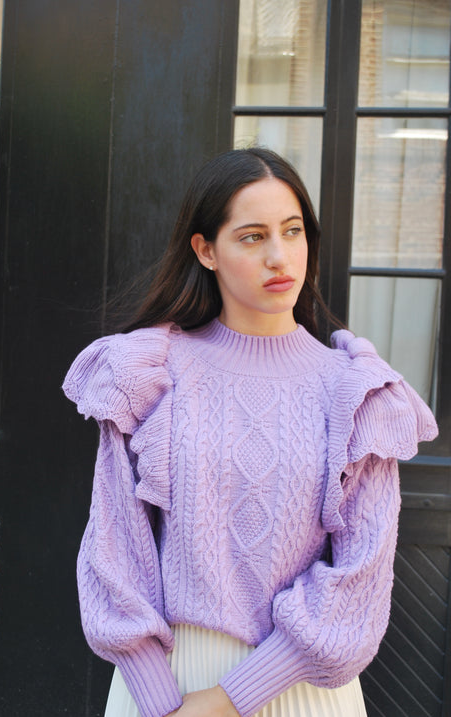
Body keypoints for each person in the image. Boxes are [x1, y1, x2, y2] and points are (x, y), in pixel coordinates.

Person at [63, 148, 438, 717]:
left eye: (292, 232)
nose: (279, 256)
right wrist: (165, 704)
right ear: (205, 250)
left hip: (303, 690)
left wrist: (228, 701)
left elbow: (360, 574)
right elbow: (113, 549)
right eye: (252, 237)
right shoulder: (149, 370)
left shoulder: (357, 391)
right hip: (165, 685)